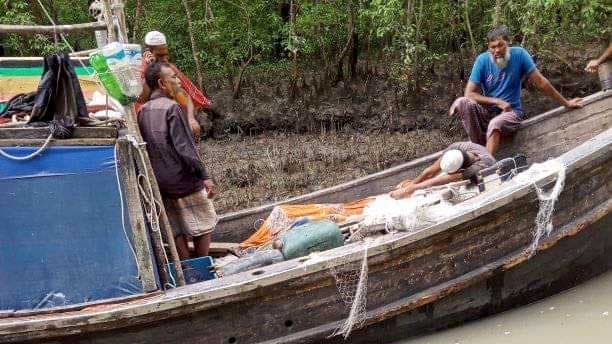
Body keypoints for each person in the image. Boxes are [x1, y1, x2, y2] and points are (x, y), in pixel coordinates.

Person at [450, 26, 582, 155]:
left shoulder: (519, 54)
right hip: (488, 113)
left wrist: (566, 103)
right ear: (488, 47)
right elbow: (469, 94)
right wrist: (497, 101)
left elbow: (541, 83)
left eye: (500, 45)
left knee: (496, 123)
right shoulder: (482, 60)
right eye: (492, 47)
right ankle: (477, 150)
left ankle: (485, 166)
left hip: (511, 112)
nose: (496, 51)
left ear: (507, 43)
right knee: (463, 101)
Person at [138, 62, 217, 259]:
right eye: (173, 77)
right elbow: (185, 148)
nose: (178, 81)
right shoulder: (172, 108)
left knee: (175, 227)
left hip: (160, 182)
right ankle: (201, 263)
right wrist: (204, 176)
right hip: (182, 179)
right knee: (205, 220)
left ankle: (187, 267)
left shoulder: (143, 111)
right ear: (162, 83)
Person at [137, 31, 212, 140]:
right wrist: (150, 68)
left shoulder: (167, 68)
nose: (164, 59)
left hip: (170, 120)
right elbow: (142, 98)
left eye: (165, 55)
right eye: (160, 55)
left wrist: (190, 118)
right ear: (149, 52)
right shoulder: (140, 67)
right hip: (150, 122)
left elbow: (183, 95)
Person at [390, 142, 496, 200]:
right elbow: (430, 171)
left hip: (484, 176)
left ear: (459, 170)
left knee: (447, 187)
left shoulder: (480, 165)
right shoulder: (457, 147)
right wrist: (413, 183)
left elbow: (443, 179)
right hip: (461, 165)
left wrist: (412, 188)